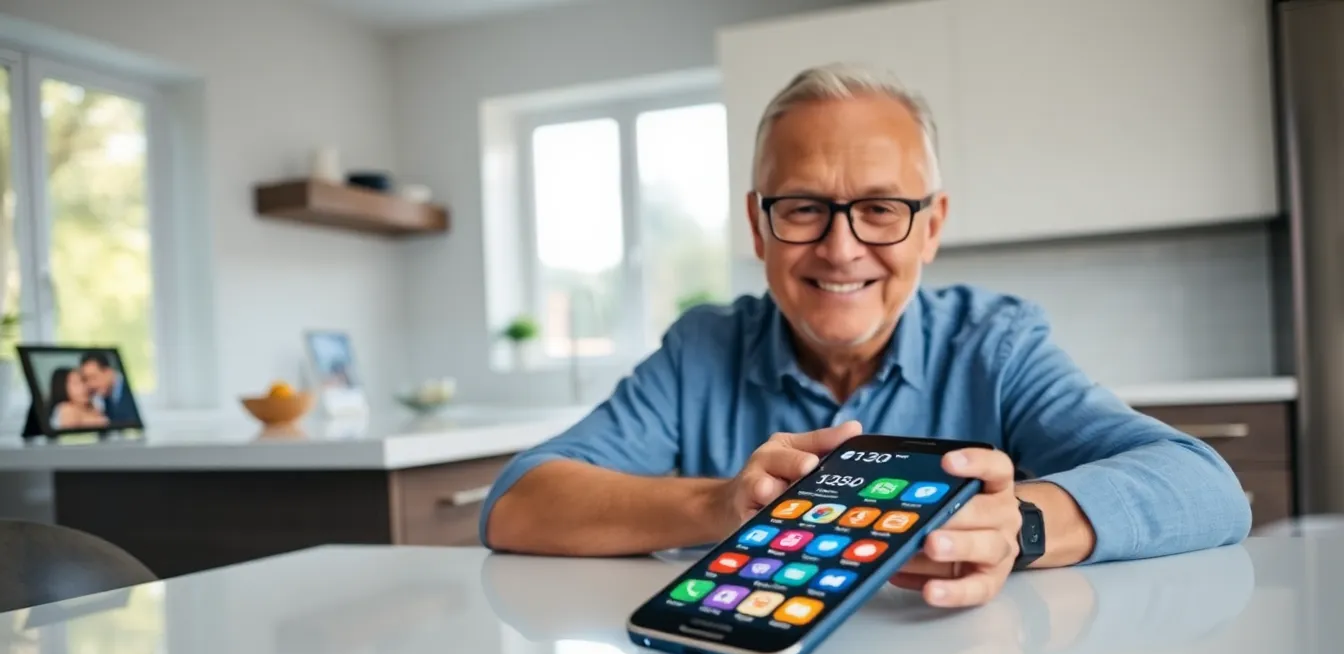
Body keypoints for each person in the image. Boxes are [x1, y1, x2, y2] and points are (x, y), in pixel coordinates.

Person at [481, 63, 1251, 609]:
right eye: (804, 207)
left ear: (933, 226)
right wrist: (725, 505)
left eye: (881, 208)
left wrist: (1022, 523)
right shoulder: (701, 351)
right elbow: (518, 503)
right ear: (758, 225)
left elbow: (1205, 485)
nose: (841, 249)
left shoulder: (995, 346)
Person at [79, 352, 140, 425]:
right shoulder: (103, 399)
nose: (90, 385)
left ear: (109, 372)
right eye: (86, 379)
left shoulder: (135, 391)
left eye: (93, 377)